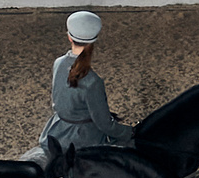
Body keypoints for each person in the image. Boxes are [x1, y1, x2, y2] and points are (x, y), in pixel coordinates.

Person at [39, 11, 133, 157]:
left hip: (57, 130)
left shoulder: (58, 63)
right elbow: (104, 124)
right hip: (83, 139)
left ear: (69, 37)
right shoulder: (93, 81)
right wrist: (129, 132)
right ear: (93, 42)